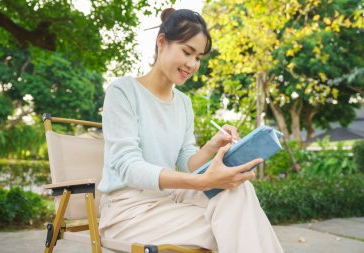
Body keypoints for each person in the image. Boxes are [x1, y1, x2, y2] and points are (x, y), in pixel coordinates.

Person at [98, 8, 284, 253]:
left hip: (169, 200)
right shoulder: (123, 91)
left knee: (237, 190)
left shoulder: (183, 104)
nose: (192, 64)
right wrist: (202, 182)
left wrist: (212, 147)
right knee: (239, 226)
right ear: (162, 42)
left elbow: (186, 162)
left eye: (198, 57)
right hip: (128, 211)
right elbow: (128, 167)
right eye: (187, 52)